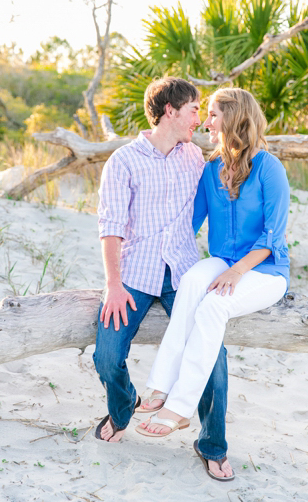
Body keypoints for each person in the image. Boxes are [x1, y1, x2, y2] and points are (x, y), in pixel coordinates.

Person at [136, 88, 290, 477]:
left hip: (266, 271)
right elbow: (188, 225)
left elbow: (273, 238)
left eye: (214, 114)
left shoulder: (270, 168)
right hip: (221, 260)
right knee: (190, 282)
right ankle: (160, 385)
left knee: (215, 305)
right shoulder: (210, 170)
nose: (206, 121)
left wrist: (237, 273)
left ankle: (181, 408)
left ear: (235, 118)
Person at [93, 76, 234, 481]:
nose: (199, 119)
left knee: (214, 356)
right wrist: (113, 285)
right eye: (194, 109)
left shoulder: (195, 157)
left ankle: (213, 445)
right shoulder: (123, 161)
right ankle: (123, 408)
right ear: (170, 111)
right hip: (135, 271)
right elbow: (111, 227)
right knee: (106, 355)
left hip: (185, 270)